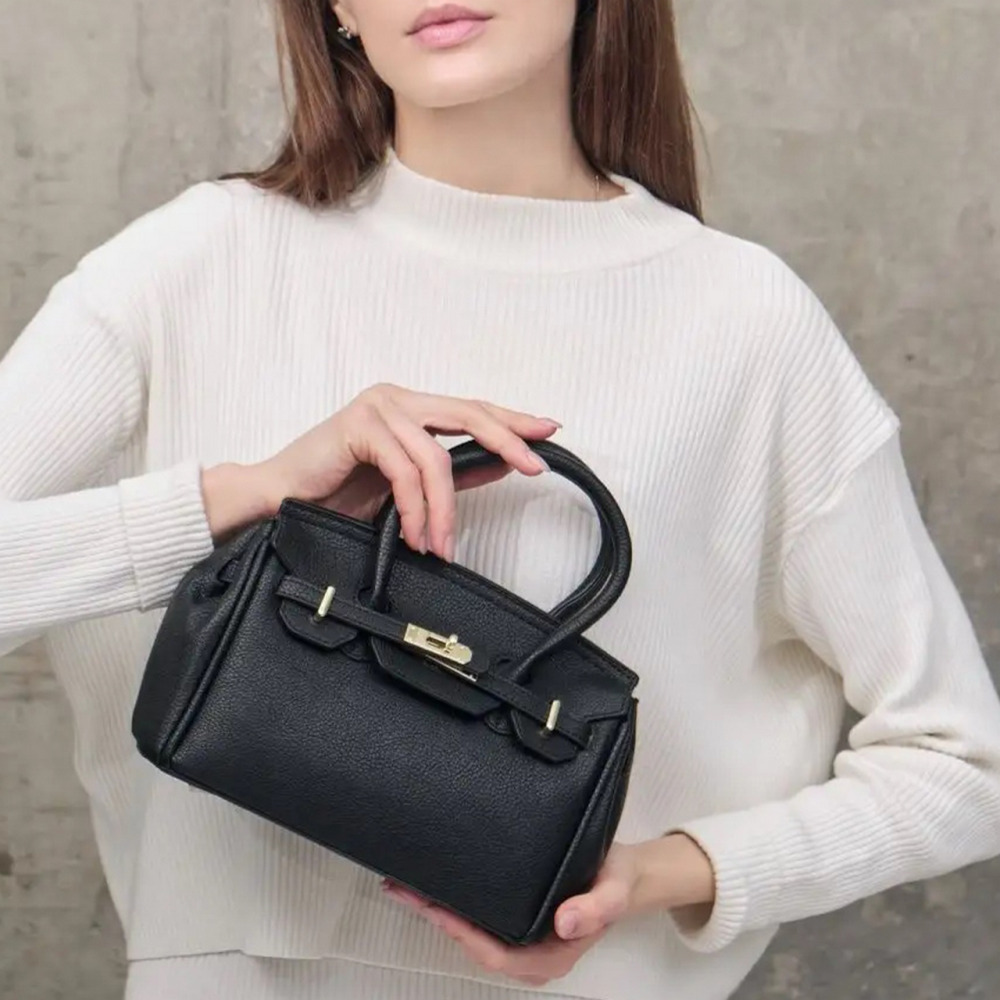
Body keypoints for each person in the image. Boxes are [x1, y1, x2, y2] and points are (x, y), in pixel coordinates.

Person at [2, 0, 999, 997]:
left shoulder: (744, 320)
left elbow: (962, 765)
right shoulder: (198, 263)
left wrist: (656, 875)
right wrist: (245, 494)